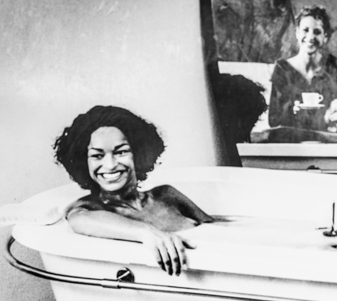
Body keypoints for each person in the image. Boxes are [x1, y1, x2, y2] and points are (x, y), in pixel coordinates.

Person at [54, 105, 216, 276]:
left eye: (121, 152)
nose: (110, 165)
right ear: (83, 161)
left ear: (139, 154)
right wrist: (145, 232)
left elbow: (216, 228)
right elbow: (79, 220)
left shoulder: (167, 194)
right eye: (97, 156)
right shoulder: (88, 210)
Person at [266, 5, 337, 140]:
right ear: (297, 32)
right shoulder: (283, 69)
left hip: (328, 137)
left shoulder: (334, 66)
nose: (310, 37)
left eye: (317, 32)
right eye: (305, 30)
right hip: (294, 139)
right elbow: (275, 119)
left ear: (325, 36)